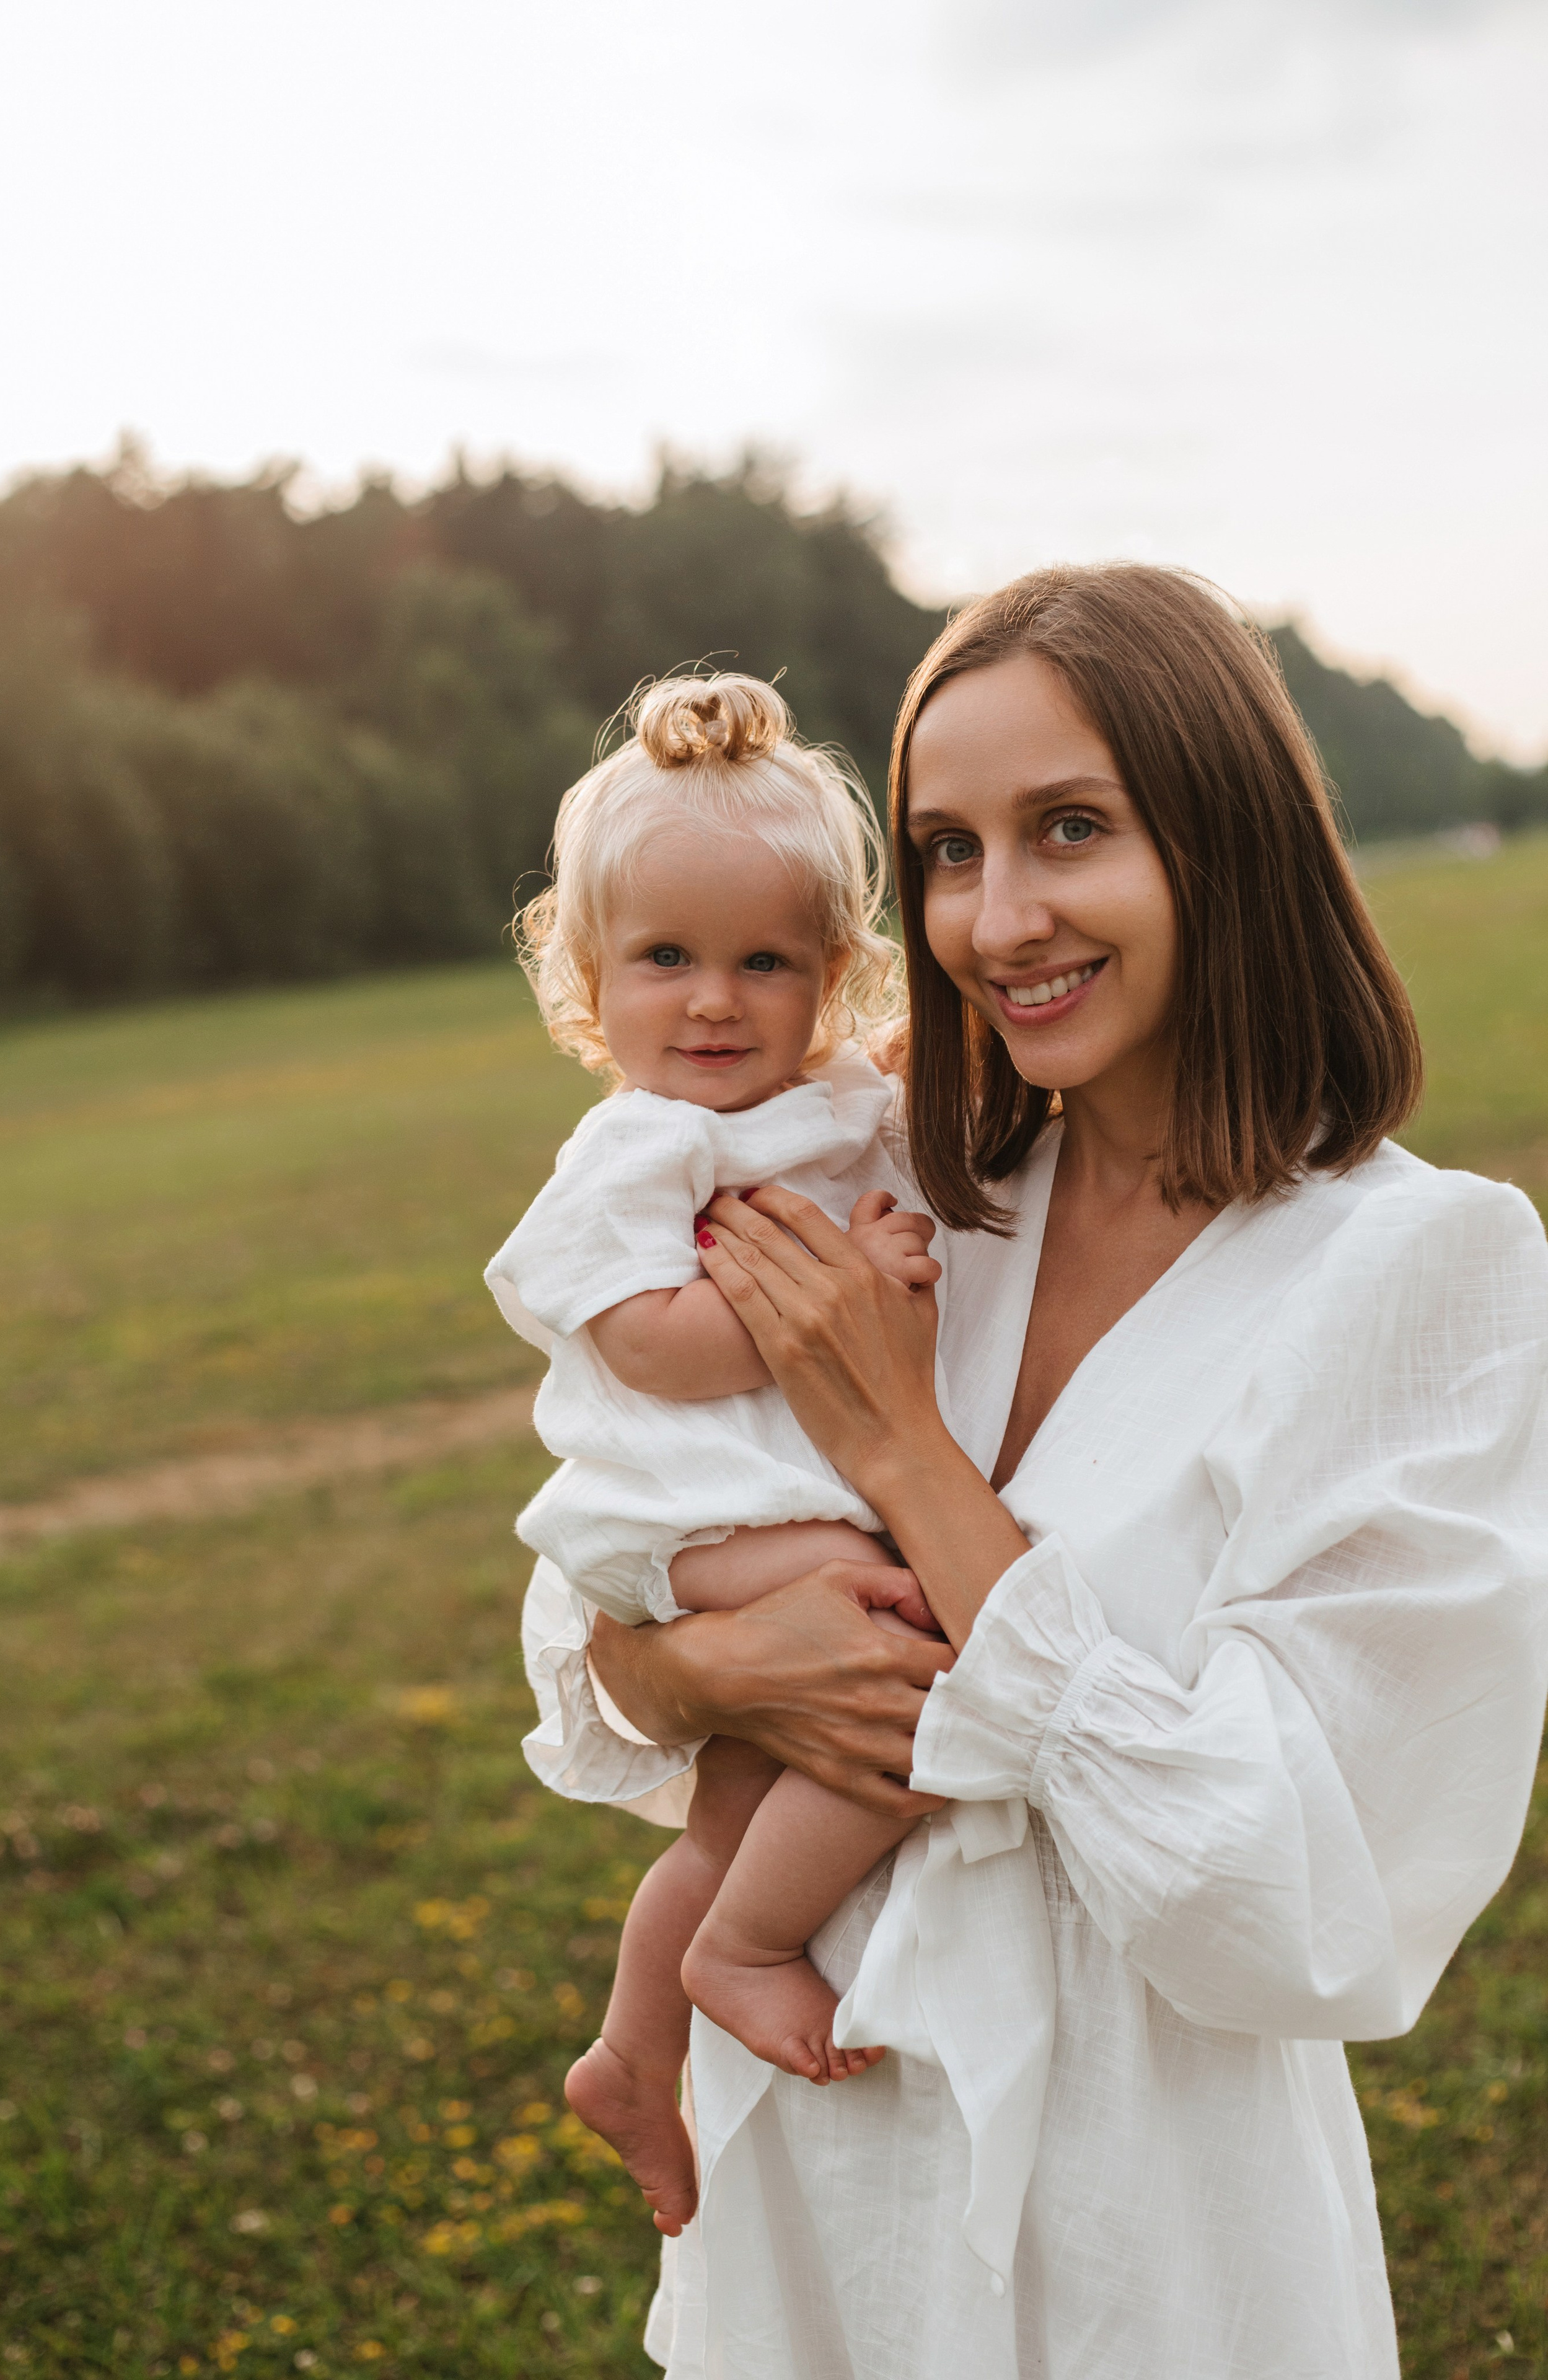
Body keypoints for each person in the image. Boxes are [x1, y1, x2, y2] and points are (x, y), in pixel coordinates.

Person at [521, 563, 1548, 2379]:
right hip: (811, 2189)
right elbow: (610, 1569)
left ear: (1226, 840)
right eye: (947, 849)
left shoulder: (1416, 1273)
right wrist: (689, 1669)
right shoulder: (911, 1195)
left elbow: (1303, 1901)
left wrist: (912, 1459)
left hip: (1143, 2237)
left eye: (1070, 829)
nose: (997, 918)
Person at [488, 672, 973, 2242]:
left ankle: (634, 2048)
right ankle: (742, 1955)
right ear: (588, 977)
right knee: (901, 1631)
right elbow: (646, 1340)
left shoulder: (821, 1100)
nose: (712, 1001)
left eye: (764, 961)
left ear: (830, 976)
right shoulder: (641, 1144)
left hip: (768, 1488)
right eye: (665, 960)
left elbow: (902, 1084)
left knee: (746, 1791)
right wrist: (837, 1299)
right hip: (681, 1512)